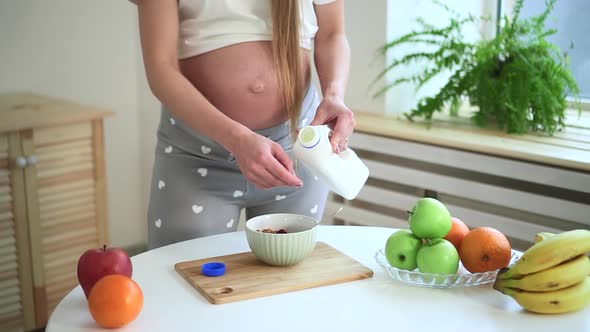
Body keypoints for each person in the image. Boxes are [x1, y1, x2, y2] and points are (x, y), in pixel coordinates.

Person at [133, 0, 355, 249]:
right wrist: (236, 138)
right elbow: (160, 68)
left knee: (292, 279)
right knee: (178, 272)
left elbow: (332, 34)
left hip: (297, 149)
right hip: (198, 155)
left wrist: (334, 94)